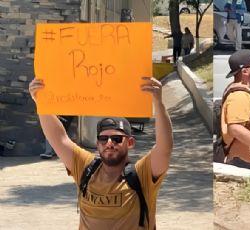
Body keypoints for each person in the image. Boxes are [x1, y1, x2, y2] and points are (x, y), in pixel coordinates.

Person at [28, 77, 173, 230]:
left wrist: (158, 103)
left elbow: (164, 148)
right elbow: (59, 138)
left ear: (130, 143)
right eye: (103, 139)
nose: (109, 143)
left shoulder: (143, 174)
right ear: (97, 144)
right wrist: (41, 102)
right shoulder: (86, 168)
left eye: (117, 139)